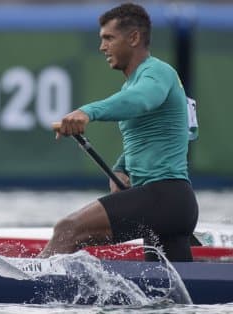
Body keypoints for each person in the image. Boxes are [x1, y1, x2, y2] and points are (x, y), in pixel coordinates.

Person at [38, 3, 198, 262]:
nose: (103, 47)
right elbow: (156, 136)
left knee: (67, 230)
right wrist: (122, 168)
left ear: (133, 38)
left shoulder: (157, 72)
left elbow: (141, 100)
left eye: (109, 38)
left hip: (164, 197)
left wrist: (88, 111)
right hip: (171, 204)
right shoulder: (136, 84)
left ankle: (26, 284)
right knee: (170, 295)